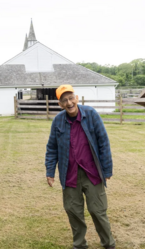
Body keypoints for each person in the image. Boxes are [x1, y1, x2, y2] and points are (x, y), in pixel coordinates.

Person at [45, 84, 116, 249]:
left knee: (98, 210)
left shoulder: (91, 114)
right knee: (73, 211)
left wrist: (106, 169)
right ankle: (80, 244)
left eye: (71, 98)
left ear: (76, 98)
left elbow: (103, 142)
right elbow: (52, 148)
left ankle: (108, 243)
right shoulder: (58, 121)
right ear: (60, 104)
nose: (69, 103)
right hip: (69, 174)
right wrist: (50, 172)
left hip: (92, 173)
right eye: (64, 100)